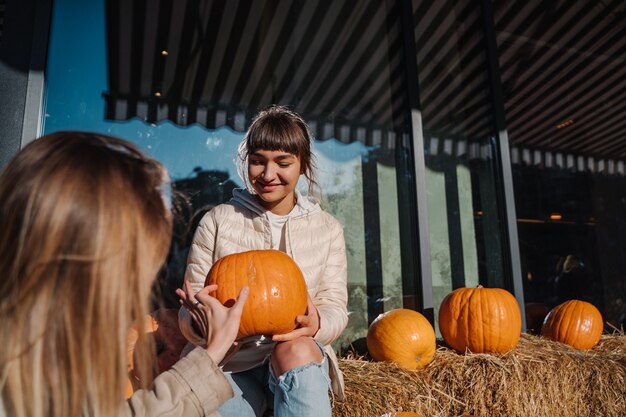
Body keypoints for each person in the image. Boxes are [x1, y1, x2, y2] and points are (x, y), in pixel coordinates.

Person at [0, 131, 248, 417]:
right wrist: (209, 355)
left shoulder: (62, 345)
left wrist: (204, 356)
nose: (139, 286)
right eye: (133, 266)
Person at [179, 105, 348, 417]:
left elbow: (335, 305)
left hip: (296, 358)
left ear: (303, 164)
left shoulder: (327, 229)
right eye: (258, 162)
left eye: (282, 163)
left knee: (295, 349)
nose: (268, 175)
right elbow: (189, 308)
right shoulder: (218, 221)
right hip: (228, 366)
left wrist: (318, 324)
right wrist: (197, 320)